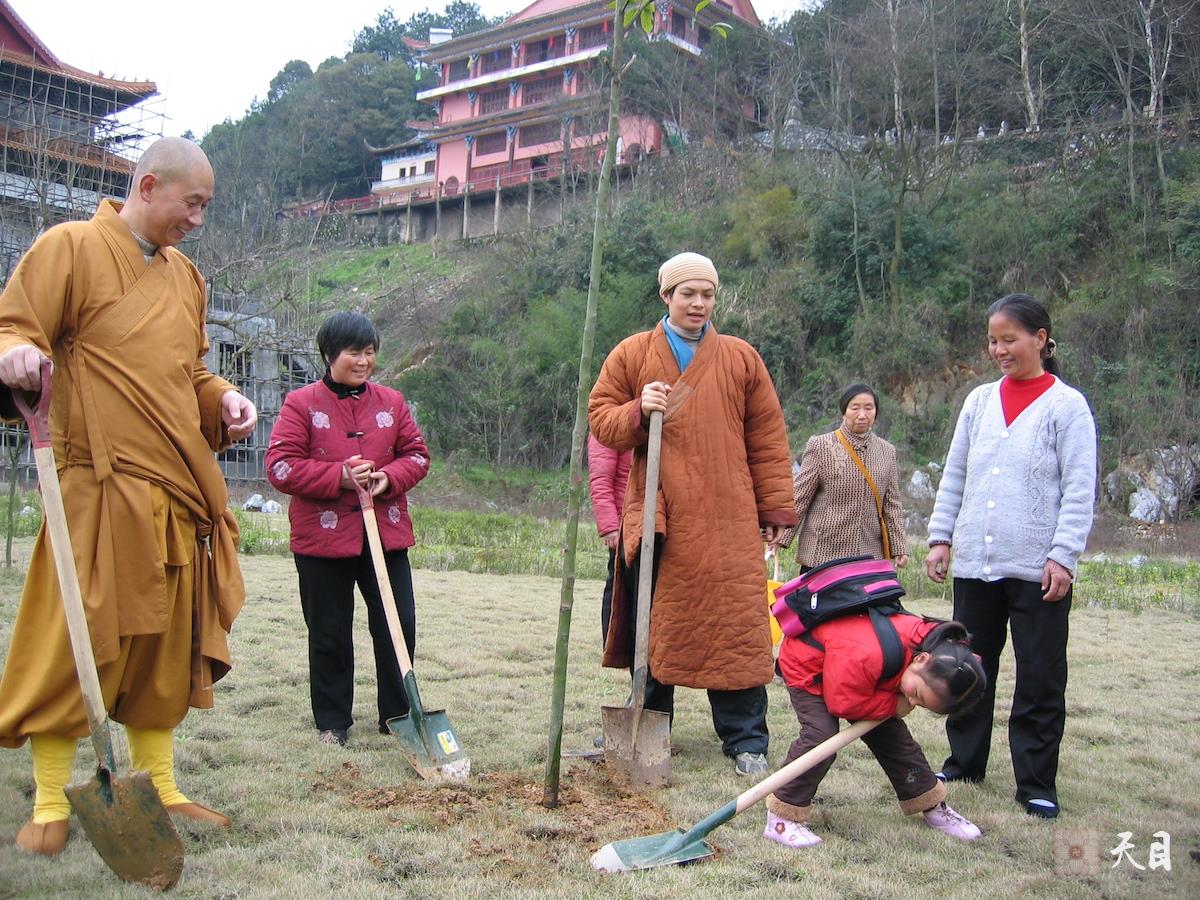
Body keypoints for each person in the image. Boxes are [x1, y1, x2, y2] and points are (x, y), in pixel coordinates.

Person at [0, 137, 257, 854]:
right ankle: (50, 800)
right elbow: (14, 327)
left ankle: (162, 786)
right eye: (191, 204)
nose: (197, 220)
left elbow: (187, 373)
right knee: (71, 641)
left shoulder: (187, 278)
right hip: (96, 486)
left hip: (176, 489)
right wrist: (16, 353)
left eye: (205, 207)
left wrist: (223, 397)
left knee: (164, 649)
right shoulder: (70, 247)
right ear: (148, 187)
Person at [588, 251, 798, 777]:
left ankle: (746, 740)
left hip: (728, 511)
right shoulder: (633, 354)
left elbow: (767, 437)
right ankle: (648, 718)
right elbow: (600, 419)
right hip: (660, 512)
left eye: (707, 294)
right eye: (688, 294)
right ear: (667, 296)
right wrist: (638, 410)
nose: (699, 303)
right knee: (655, 620)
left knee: (734, 625)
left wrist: (774, 506)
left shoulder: (741, 358)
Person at [926, 293, 1097, 820]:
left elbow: (1079, 488)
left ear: (1041, 339)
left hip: (1038, 568)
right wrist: (941, 536)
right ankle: (964, 762)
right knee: (969, 666)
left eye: (1009, 339)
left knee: (1040, 674)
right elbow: (956, 473)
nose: (999, 350)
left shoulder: (1067, 406)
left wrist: (1063, 556)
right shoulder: (979, 402)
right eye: (993, 341)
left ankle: (1036, 782)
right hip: (976, 564)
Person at [265, 312, 430, 748]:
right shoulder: (301, 404)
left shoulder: (392, 403)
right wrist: (338, 476)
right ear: (329, 355)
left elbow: (417, 456)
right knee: (329, 632)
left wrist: (387, 478)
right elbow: (280, 466)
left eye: (370, 352)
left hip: (385, 537)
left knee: (397, 625)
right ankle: (333, 722)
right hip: (322, 541)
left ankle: (398, 716)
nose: (363, 361)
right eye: (354, 352)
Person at [766, 614, 986, 847]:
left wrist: (892, 705)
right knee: (821, 736)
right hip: (810, 664)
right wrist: (893, 705)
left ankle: (931, 804)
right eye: (917, 695)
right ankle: (781, 818)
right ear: (922, 659)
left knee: (892, 736)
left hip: (854, 671)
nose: (911, 702)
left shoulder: (937, 651)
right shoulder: (869, 653)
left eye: (921, 704)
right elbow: (843, 702)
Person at [779, 383, 909, 572]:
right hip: (822, 557)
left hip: (868, 558)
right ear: (844, 412)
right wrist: (780, 537)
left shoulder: (887, 452)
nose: (862, 415)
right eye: (855, 408)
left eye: (869, 408)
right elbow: (800, 497)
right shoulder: (821, 446)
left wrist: (899, 548)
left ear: (876, 412)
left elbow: (892, 505)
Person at [586, 433, 631, 646]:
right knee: (618, 588)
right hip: (623, 524)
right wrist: (610, 526)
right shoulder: (606, 424)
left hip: (649, 521)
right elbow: (601, 480)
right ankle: (612, 646)